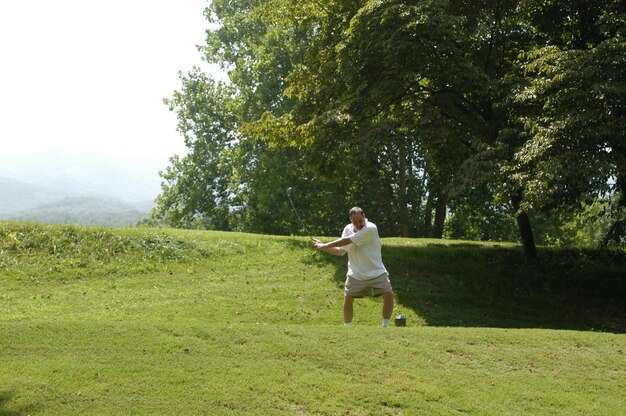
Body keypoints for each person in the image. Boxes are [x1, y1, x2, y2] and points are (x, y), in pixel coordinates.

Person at [313, 207, 394, 327]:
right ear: (351, 221)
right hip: (355, 273)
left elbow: (347, 241)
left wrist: (323, 246)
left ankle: (386, 325)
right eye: (355, 222)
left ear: (364, 217)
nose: (358, 224)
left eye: (360, 221)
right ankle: (347, 329)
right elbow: (341, 251)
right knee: (348, 299)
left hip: (376, 271)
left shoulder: (371, 228)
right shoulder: (348, 228)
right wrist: (323, 247)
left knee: (389, 295)